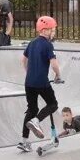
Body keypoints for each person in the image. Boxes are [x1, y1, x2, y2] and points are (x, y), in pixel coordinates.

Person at [17, 16, 62, 152]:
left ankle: (24, 141)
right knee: (53, 104)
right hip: (41, 82)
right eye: (52, 30)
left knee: (31, 109)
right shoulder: (48, 45)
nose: (53, 33)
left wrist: (28, 73)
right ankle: (36, 121)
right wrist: (58, 76)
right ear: (45, 30)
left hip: (29, 83)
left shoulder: (32, 43)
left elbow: (23, 60)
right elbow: (54, 64)